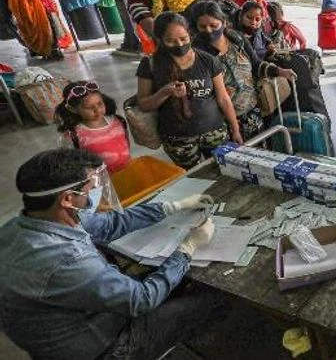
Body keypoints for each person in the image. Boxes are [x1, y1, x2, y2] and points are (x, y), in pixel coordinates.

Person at [0, 148, 227, 360]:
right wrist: (187, 248)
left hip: (65, 321)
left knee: (175, 280)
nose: (92, 197)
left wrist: (171, 207)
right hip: (101, 348)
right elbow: (141, 299)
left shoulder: (26, 223)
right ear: (67, 198)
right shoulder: (66, 259)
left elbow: (110, 224)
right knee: (214, 296)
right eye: (89, 189)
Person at [136, 12, 242, 169]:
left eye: (183, 39)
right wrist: (164, 92)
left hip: (215, 132)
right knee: (194, 178)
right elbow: (144, 104)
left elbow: (223, 98)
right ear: (159, 40)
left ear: (190, 35)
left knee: (226, 171)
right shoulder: (150, 65)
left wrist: (235, 129)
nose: (179, 44)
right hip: (178, 140)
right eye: (170, 41)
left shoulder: (207, 60)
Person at [191, 1, 296, 140]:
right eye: (203, 27)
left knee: (259, 150)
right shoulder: (197, 54)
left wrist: (280, 71)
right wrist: (234, 128)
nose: (209, 30)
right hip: (222, 120)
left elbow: (256, 64)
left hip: (251, 109)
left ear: (223, 22)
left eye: (213, 25)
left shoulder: (238, 39)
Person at [55, 81, 131, 174]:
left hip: (128, 171)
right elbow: (71, 162)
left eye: (100, 103)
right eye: (89, 107)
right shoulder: (73, 135)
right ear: (73, 109)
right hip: (103, 181)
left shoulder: (118, 121)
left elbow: (126, 143)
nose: (97, 110)